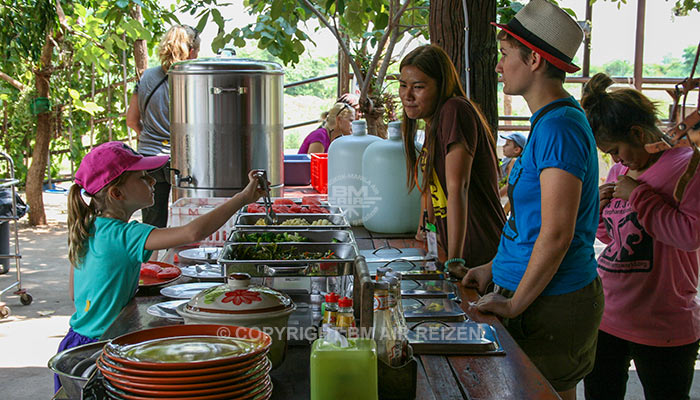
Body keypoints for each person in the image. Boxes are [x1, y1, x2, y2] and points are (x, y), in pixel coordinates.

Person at [462, 1, 603, 399]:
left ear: (535, 60)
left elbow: (557, 234)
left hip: (551, 302)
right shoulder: (547, 122)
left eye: (505, 55)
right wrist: (495, 267)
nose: (498, 65)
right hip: (528, 291)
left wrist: (515, 303)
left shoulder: (560, 127)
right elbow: (532, 223)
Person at [54, 141, 263, 392]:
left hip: (75, 341)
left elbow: (74, 293)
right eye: (144, 177)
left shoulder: (89, 226)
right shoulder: (126, 234)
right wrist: (243, 198)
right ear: (117, 194)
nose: (153, 182)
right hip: (101, 348)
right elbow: (192, 232)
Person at [580, 73, 700, 400]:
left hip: (664, 324)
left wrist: (640, 197)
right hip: (609, 316)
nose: (616, 161)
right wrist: (599, 210)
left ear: (637, 133)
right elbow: (612, 236)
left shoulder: (688, 167)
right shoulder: (621, 172)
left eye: (617, 150)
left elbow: (690, 235)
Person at [398, 44, 506, 279]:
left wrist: (455, 259)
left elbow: (459, 187)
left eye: (418, 87)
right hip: (457, 253)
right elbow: (431, 187)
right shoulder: (433, 123)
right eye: (403, 85)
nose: (407, 95)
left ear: (441, 85)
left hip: (479, 256)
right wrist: (424, 230)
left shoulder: (455, 110)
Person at [126, 25, 200, 229]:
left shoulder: (146, 77)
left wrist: (149, 137)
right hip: (183, 161)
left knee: (152, 225)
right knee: (188, 220)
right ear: (191, 51)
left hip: (149, 159)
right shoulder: (194, 79)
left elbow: (131, 120)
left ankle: (151, 261)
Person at [498, 132, 526, 199]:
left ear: (517, 150)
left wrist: (495, 198)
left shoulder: (513, 162)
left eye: (507, 144)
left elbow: (509, 185)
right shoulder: (507, 160)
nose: (503, 146)